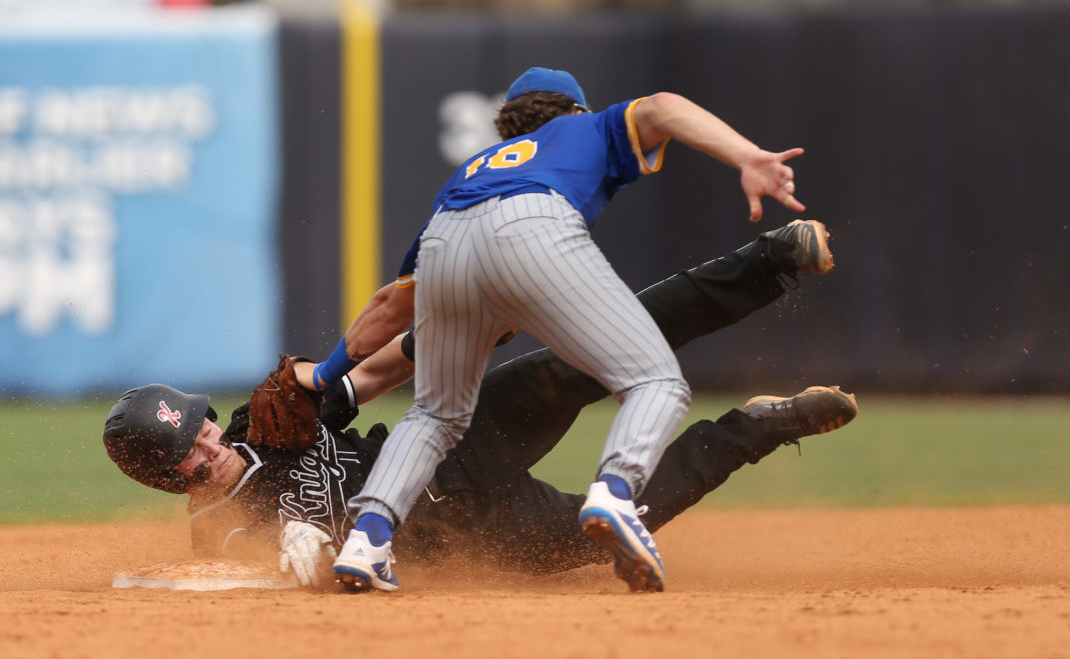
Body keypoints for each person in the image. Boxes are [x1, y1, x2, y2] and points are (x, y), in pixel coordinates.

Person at [101, 222, 857, 590]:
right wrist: (291, 554)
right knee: (625, 523)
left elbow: (368, 378)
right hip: (476, 537)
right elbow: (260, 565)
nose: (208, 446)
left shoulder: (259, 425)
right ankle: (759, 425)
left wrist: (463, 336)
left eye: (197, 426)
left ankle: (766, 262)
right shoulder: (217, 531)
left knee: (600, 348)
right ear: (171, 482)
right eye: (188, 457)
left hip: (454, 439)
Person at [313, 67, 818, 593]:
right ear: (574, 109)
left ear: (509, 127)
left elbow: (391, 304)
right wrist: (747, 155)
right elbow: (662, 105)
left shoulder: (473, 169)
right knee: (655, 382)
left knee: (435, 415)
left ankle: (367, 541)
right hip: (533, 223)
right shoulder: (587, 128)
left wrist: (324, 379)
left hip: (445, 245)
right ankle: (615, 494)